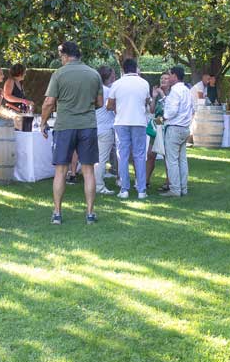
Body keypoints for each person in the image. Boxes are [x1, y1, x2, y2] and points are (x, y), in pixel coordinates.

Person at [40, 41, 103, 225]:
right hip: (87, 125)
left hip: (65, 126)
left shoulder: (59, 74)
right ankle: (90, 214)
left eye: (61, 56)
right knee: (88, 170)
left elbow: (48, 102)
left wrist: (43, 122)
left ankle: (57, 213)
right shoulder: (94, 74)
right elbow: (99, 102)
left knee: (60, 170)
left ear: (66, 55)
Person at [108, 58, 151, 200]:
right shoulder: (144, 83)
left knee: (123, 155)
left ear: (123, 69)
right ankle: (142, 190)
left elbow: (109, 105)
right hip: (139, 121)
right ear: (136, 68)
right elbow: (147, 101)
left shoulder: (117, 84)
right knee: (139, 155)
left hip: (121, 121)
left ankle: (124, 189)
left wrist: (117, 109)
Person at [161, 66, 194, 197]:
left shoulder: (175, 91)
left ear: (175, 76)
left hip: (174, 128)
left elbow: (172, 111)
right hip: (185, 128)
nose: (168, 78)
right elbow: (192, 109)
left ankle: (175, 189)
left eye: (170, 75)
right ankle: (183, 188)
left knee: (172, 160)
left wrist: (163, 118)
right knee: (182, 160)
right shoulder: (187, 90)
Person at [94, 65, 116, 195]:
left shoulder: (93, 89)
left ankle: (92, 182)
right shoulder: (108, 91)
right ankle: (99, 185)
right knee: (102, 159)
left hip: (93, 126)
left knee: (94, 158)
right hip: (106, 127)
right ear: (110, 77)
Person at [147, 72, 171, 192]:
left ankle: (169, 182)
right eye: (161, 78)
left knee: (167, 155)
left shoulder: (172, 94)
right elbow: (151, 111)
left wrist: (162, 95)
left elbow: (169, 111)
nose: (163, 80)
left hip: (167, 126)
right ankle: (146, 181)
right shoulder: (157, 92)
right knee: (150, 154)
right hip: (157, 126)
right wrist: (154, 96)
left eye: (166, 78)